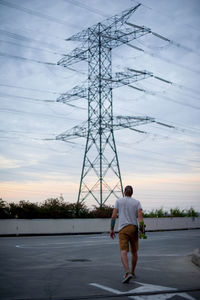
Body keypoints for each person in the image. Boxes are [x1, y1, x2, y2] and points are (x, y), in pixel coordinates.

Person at [110, 185, 144, 283]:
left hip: (123, 229)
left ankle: (127, 272)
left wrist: (111, 229)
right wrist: (142, 230)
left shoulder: (118, 201)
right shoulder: (137, 202)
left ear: (124, 192)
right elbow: (140, 217)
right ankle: (133, 272)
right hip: (133, 228)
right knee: (134, 252)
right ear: (132, 193)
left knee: (123, 251)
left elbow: (113, 216)